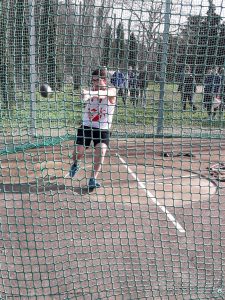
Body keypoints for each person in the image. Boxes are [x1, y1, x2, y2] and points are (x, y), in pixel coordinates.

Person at [69, 68, 117, 189]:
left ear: (104, 80)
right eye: (93, 80)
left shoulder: (112, 91)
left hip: (103, 129)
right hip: (86, 127)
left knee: (101, 150)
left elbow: (104, 94)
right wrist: (85, 94)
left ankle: (92, 179)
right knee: (77, 153)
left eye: (97, 80)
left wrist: (91, 93)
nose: (94, 83)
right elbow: (85, 96)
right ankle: (75, 163)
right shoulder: (90, 91)